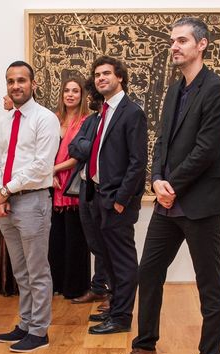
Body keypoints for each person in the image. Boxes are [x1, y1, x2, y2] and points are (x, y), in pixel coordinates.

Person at [110, 17, 220, 354]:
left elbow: (207, 150)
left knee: (208, 283)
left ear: (202, 45)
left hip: (200, 203)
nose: (175, 46)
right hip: (169, 201)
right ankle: (145, 348)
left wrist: (171, 183)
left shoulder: (216, 90)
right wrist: (156, 179)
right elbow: (162, 141)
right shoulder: (174, 89)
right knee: (148, 272)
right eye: (172, 41)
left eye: (182, 40)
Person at [0, 61, 60, 352]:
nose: (15, 85)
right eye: (10, 81)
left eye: (21, 80)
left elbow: (42, 164)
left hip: (32, 201)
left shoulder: (45, 119)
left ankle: (39, 331)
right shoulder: (4, 121)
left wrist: (5, 190)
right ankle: (25, 323)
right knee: (20, 270)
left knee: (37, 270)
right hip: (6, 202)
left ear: (33, 84)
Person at [83, 55, 148, 336]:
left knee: (122, 262)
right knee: (105, 257)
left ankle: (122, 318)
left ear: (119, 77)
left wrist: (121, 199)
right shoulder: (102, 113)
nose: (101, 78)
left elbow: (137, 162)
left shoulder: (131, 112)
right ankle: (114, 306)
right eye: (97, 75)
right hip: (96, 195)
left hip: (116, 200)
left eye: (107, 73)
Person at [68, 78, 112, 312]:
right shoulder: (91, 121)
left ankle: (114, 294)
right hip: (86, 189)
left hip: (106, 190)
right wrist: (93, 145)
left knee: (109, 245)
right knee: (95, 243)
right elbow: (74, 147)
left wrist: (90, 146)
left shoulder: (115, 120)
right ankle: (98, 288)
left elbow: (107, 152)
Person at [48, 77, 91, 299]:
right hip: (52, 184)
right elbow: (44, 149)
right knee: (56, 238)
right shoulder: (54, 119)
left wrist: (54, 169)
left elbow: (80, 156)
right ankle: (57, 284)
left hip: (74, 183)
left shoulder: (86, 121)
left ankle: (75, 287)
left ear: (82, 95)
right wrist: (50, 172)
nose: (70, 94)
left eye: (75, 91)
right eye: (67, 90)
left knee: (76, 240)